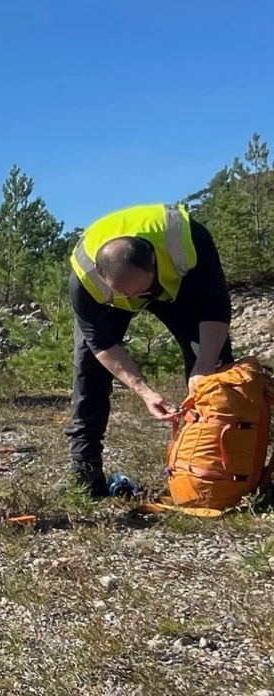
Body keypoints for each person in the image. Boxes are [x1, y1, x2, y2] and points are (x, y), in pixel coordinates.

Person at [67, 202, 233, 497]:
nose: (135, 299)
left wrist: (205, 365)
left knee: (215, 365)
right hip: (109, 300)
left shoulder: (189, 242)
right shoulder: (84, 282)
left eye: (139, 290)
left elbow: (215, 308)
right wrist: (144, 391)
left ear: (154, 261)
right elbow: (102, 344)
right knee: (88, 370)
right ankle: (85, 470)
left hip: (180, 288)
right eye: (125, 294)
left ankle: (221, 466)